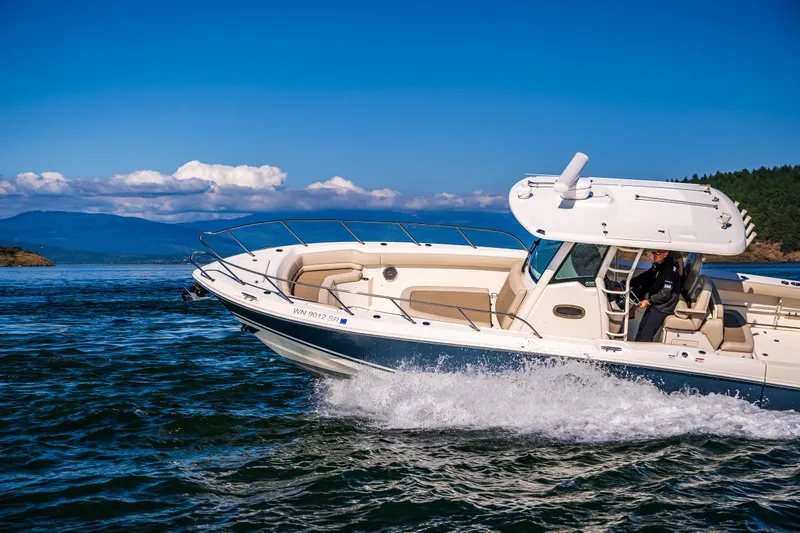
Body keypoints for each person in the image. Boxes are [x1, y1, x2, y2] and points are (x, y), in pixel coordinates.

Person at [629, 249, 682, 342]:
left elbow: (665, 294)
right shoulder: (659, 265)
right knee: (641, 328)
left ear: (665, 254)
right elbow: (646, 276)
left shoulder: (669, 270)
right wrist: (628, 283)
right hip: (656, 303)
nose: (654, 255)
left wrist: (648, 301)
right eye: (653, 252)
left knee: (646, 333)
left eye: (657, 253)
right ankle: (636, 350)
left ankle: (642, 354)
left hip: (663, 307)